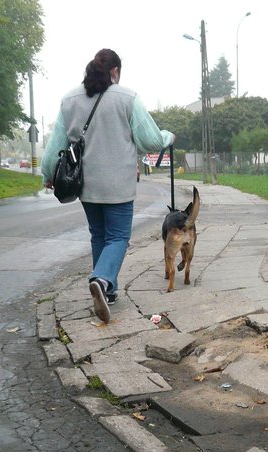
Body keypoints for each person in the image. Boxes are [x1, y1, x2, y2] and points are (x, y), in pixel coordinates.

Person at [42, 48, 174, 324]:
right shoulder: (127, 98)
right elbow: (150, 140)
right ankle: (101, 280)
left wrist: (47, 174)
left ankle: (108, 292)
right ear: (115, 71)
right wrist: (167, 136)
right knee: (118, 238)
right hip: (118, 185)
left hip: (85, 185)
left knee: (99, 235)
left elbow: (55, 145)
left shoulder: (69, 100)